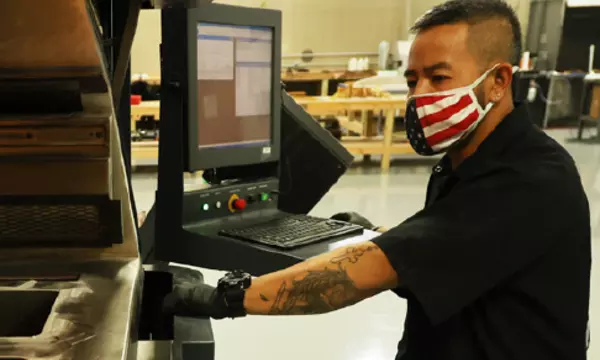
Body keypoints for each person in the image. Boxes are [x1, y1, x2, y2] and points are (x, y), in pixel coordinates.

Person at [164, 0, 591, 359]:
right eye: (412, 80)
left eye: (439, 78)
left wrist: (223, 297)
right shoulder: (466, 160)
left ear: (498, 81)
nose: (419, 95)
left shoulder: (530, 178)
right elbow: (455, 253)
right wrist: (380, 236)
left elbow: (358, 277)